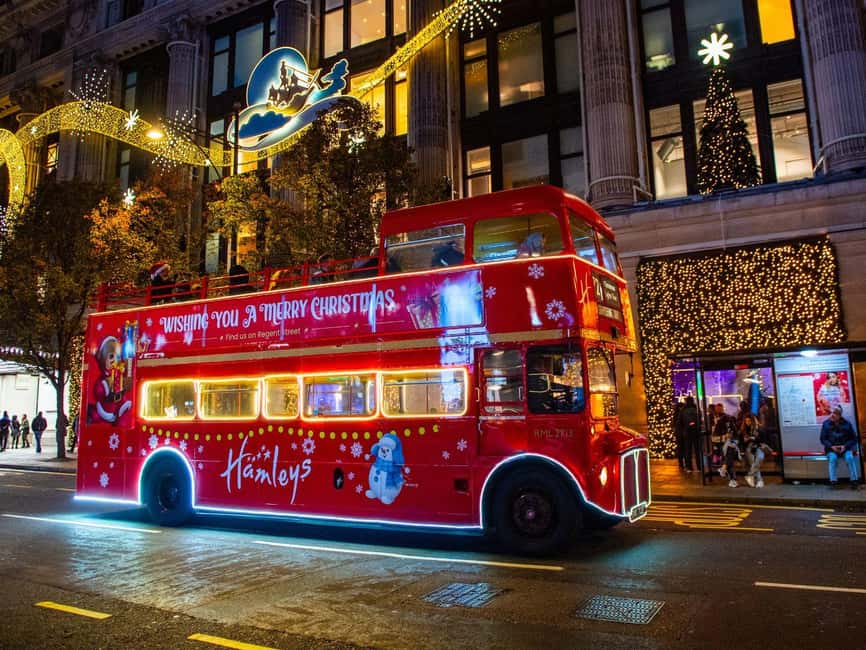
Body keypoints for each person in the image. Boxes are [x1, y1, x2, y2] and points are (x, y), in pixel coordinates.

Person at [820, 405, 860, 489]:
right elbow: (823, 439)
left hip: (845, 448)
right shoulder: (826, 424)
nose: (832, 415)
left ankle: (854, 480)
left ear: (840, 415)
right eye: (831, 412)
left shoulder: (847, 423)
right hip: (831, 449)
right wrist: (831, 446)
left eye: (835, 413)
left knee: (849, 458)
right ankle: (833, 481)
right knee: (833, 459)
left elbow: (854, 438)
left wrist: (845, 446)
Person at [741, 414, 768, 488]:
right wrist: (747, 440)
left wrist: (753, 438)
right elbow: (742, 441)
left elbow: (763, 438)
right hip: (749, 448)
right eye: (746, 421)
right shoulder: (744, 429)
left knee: (759, 458)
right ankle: (760, 480)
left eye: (749, 421)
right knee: (753, 464)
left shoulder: (758, 428)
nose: (747, 422)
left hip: (758, 447)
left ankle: (750, 475)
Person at [678, 396, 701, 473]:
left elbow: (679, 422)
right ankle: (699, 467)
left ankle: (689, 467)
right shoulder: (696, 410)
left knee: (688, 450)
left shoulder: (683, 411)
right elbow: (700, 420)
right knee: (697, 450)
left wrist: (683, 429)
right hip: (696, 432)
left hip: (687, 432)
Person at [672, 402, 687, 470]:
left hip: (679, 434)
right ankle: (685, 463)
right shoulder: (683, 414)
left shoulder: (675, 414)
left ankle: (681, 463)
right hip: (683, 434)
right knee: (685, 449)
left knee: (680, 449)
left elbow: (674, 425)